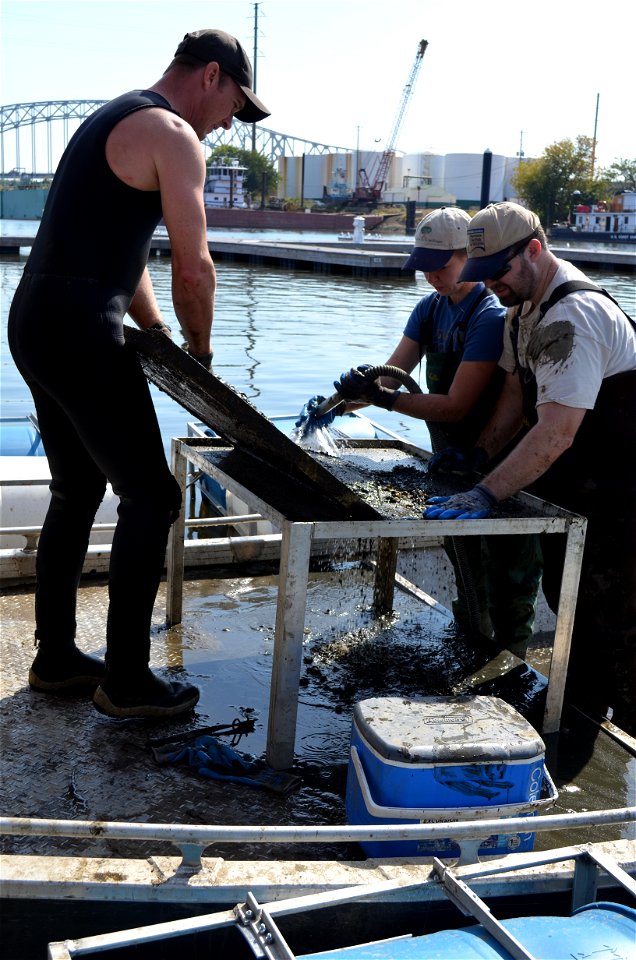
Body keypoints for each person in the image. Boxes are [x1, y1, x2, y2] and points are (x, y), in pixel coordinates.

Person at [7, 29, 270, 719]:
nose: (229, 125)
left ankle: (56, 656)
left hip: (37, 317)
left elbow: (128, 255)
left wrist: (154, 334)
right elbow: (195, 266)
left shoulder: (116, 118)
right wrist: (205, 364)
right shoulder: (175, 133)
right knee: (151, 497)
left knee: (78, 488)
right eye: (235, 108)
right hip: (80, 328)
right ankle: (126, 680)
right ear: (212, 76)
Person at [424, 201, 636, 733]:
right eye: (481, 275)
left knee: (610, 619)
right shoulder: (523, 308)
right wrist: (480, 455)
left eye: (497, 271)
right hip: (579, 482)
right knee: (566, 600)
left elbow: (555, 432)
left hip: (623, 489)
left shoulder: (573, 316)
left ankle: (601, 738)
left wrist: (487, 493)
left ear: (534, 251)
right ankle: (578, 712)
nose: (490, 284)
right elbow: (517, 396)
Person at [305, 207, 542, 657]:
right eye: (424, 267)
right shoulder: (430, 309)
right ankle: (469, 645)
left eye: (441, 265)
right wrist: (341, 400)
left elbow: (455, 407)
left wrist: (384, 399)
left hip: (498, 464)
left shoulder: (487, 316)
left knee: (509, 576)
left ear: (466, 258)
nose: (432, 276)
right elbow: (391, 378)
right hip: (450, 464)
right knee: (464, 566)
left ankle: (512, 668)